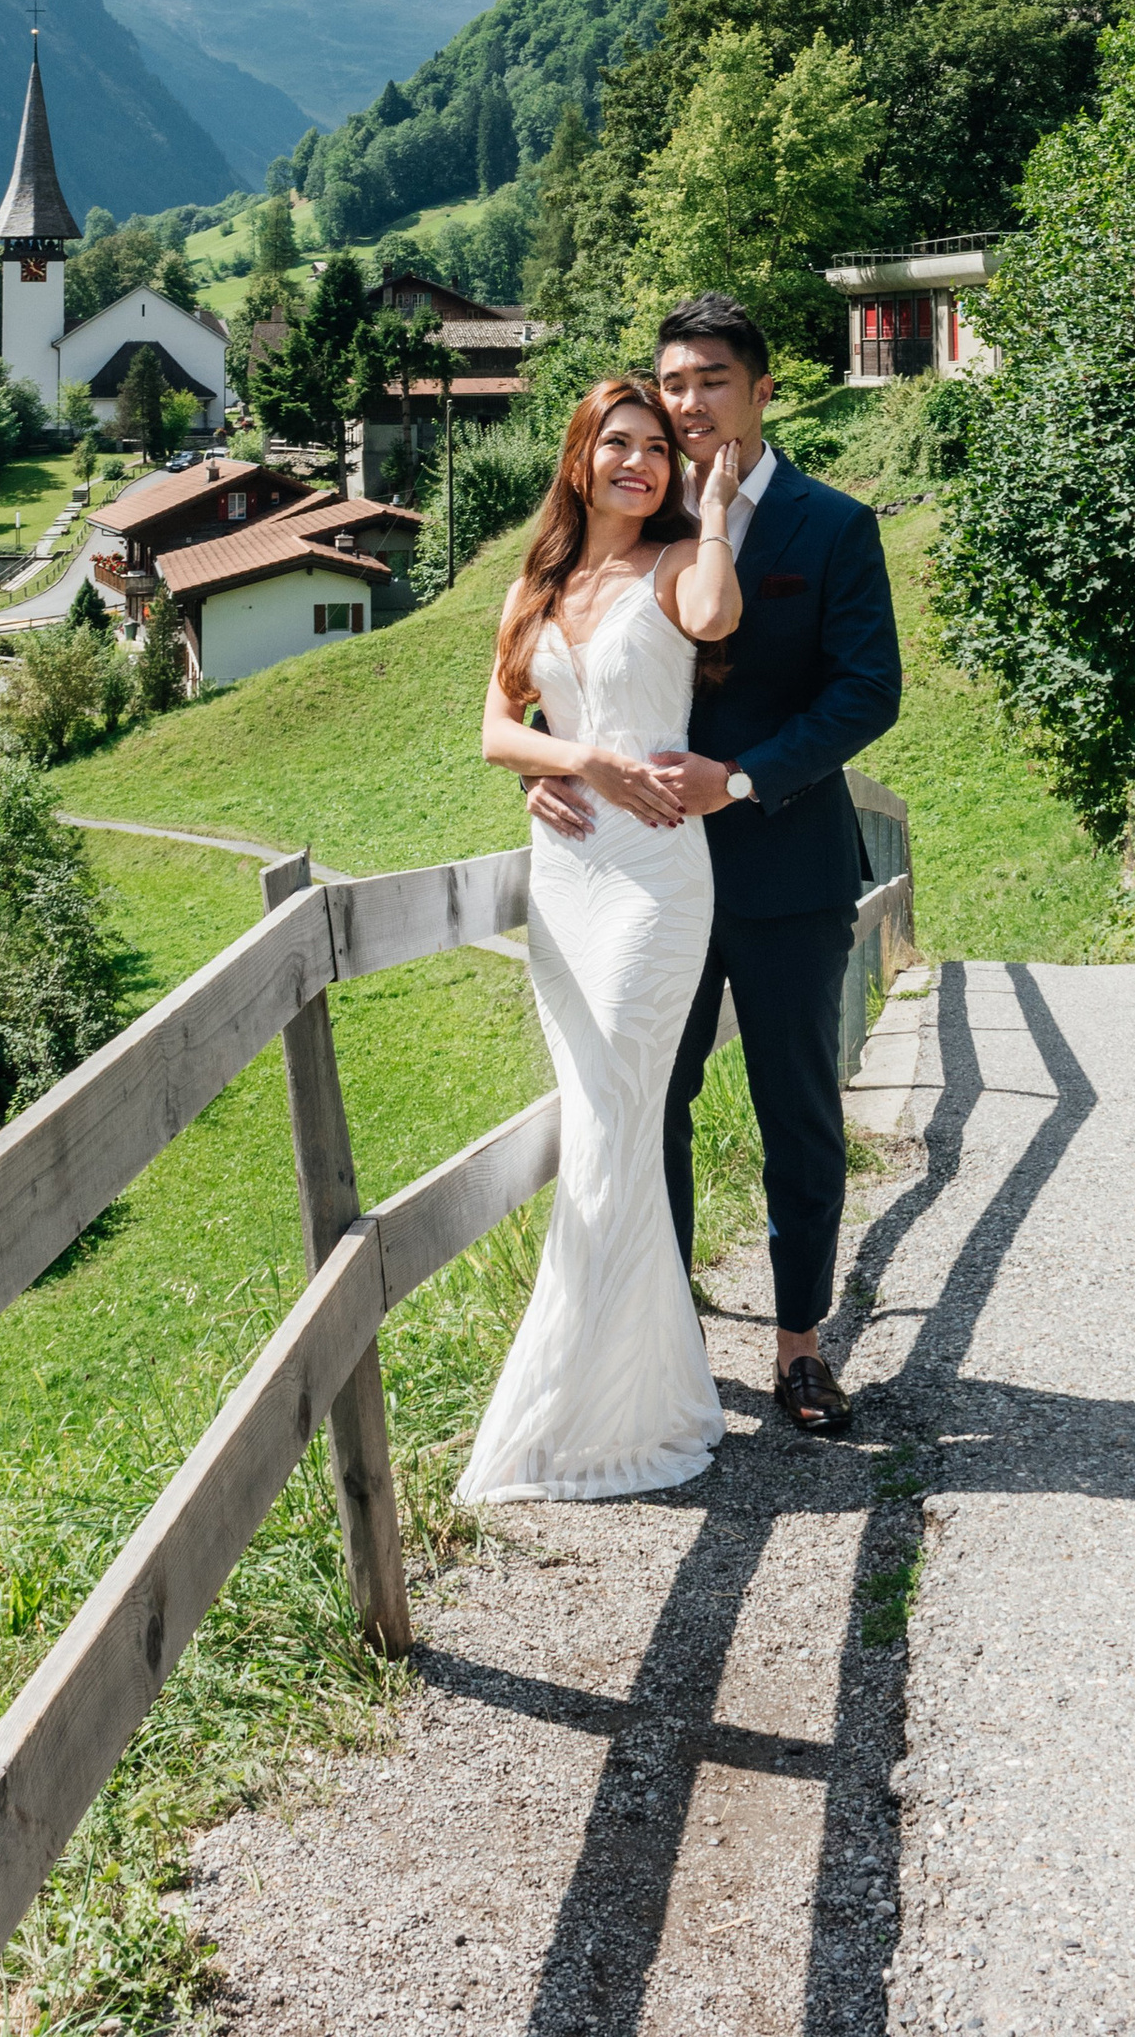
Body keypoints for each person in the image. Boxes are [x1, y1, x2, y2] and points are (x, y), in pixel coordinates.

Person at [530, 290, 901, 1437]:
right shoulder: (631, 516)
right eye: (672, 382)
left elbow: (865, 695)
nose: (688, 404)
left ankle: (799, 1350)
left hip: (782, 869)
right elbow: (568, 653)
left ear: (761, 389)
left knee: (795, 1108)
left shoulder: (831, 527)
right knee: (655, 1103)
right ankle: (671, 1341)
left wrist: (739, 779)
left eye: (711, 382)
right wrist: (552, 766)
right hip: (641, 879)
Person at [459, 375, 746, 1501]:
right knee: (600, 1122)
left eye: (656, 450)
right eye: (617, 443)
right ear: (578, 457)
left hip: (658, 877)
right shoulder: (533, 586)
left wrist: (713, 507)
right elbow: (495, 733)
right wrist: (573, 763)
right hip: (569, 876)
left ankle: (577, 1401)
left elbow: (717, 618)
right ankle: (648, 1391)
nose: (639, 462)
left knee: (620, 1114)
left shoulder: (678, 564)